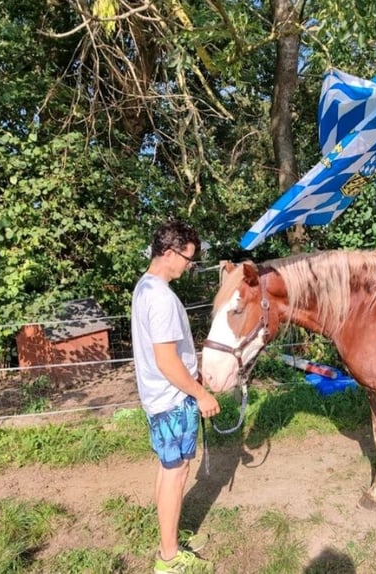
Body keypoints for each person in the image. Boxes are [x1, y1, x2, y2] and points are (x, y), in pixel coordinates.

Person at [131, 220, 220, 574]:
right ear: (169, 253)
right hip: (172, 398)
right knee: (177, 471)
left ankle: (168, 536)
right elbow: (167, 361)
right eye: (188, 257)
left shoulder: (145, 288)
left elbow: (167, 355)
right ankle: (169, 557)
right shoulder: (162, 298)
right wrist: (201, 394)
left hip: (160, 397)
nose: (190, 264)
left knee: (169, 468)